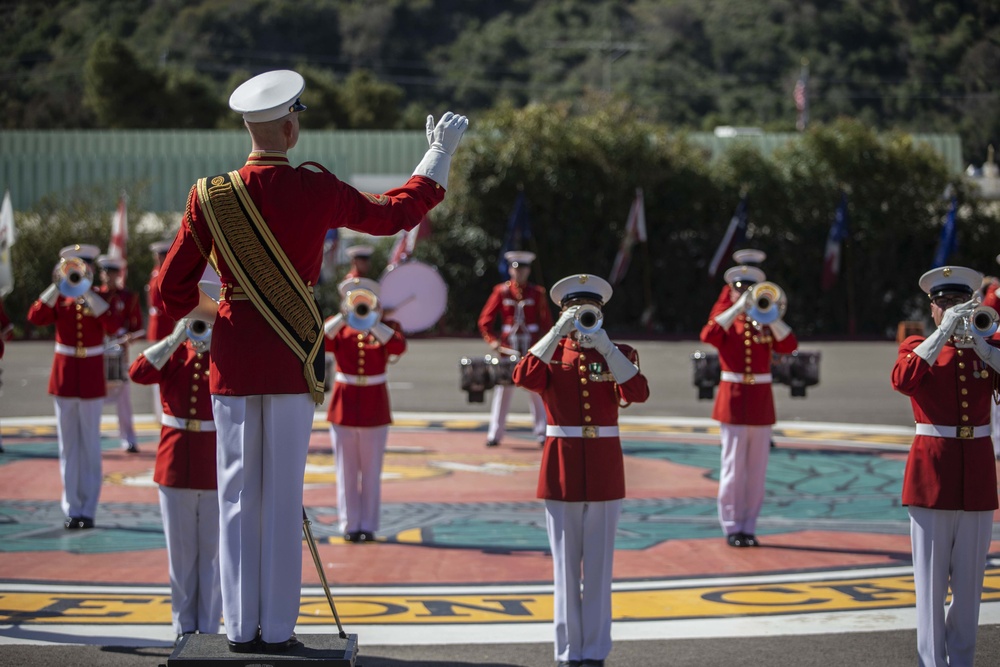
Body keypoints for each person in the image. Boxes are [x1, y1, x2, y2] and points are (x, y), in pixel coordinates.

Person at [157, 69, 466, 653]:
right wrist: (436, 155)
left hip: (231, 359)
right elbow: (395, 212)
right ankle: (276, 629)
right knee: (281, 497)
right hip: (293, 358)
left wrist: (223, 304)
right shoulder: (315, 188)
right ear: (290, 126)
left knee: (236, 495)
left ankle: (237, 629)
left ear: (251, 127)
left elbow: (170, 290)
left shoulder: (209, 195)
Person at [512, 273, 649, 667]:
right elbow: (522, 376)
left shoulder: (618, 351)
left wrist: (606, 347)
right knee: (566, 569)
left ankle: (595, 651)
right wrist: (556, 332)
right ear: (562, 313)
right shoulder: (552, 352)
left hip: (605, 464)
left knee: (600, 568)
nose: (582, 317)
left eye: (588, 311)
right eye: (573, 311)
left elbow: (637, 393)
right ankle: (569, 652)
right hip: (562, 462)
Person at [891, 265, 999, 667]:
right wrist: (941, 335)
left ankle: (963, 661)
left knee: (970, 587)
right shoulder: (918, 344)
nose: (950, 309)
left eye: (958, 302)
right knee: (931, 585)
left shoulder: (987, 344)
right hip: (932, 475)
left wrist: (987, 348)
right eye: (943, 303)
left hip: (977, 476)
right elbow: (902, 379)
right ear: (932, 308)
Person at [129, 316, 221, 644]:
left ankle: (209, 629)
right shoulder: (174, 353)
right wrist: (173, 339)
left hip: (213, 463)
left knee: (212, 553)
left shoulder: (221, 353)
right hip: (175, 462)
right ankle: (184, 629)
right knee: (181, 554)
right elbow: (137, 372)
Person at [699, 252, 797, 547]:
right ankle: (731, 526)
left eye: (749, 289)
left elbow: (790, 344)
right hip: (732, 398)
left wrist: (771, 317)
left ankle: (749, 526)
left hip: (760, 400)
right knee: (732, 467)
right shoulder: (729, 321)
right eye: (739, 288)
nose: (744, 293)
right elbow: (709, 334)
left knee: (756, 470)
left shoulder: (765, 321)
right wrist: (736, 308)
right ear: (731, 290)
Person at [27, 244, 116, 529]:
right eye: (72, 269)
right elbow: (35, 317)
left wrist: (87, 292)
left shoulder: (98, 298)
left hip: (90, 378)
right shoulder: (60, 297)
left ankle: (88, 509)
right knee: (68, 447)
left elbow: (113, 325)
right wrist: (56, 287)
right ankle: (72, 507)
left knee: (89, 446)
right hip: (65, 378)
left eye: (81, 269)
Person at [324, 277, 405, 543]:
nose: (361, 304)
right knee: (345, 471)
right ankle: (349, 524)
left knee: (371, 471)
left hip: (374, 406)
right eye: (355, 301)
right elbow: (319, 341)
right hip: (344, 405)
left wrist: (374, 322)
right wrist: (343, 317)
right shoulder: (341, 329)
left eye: (365, 300)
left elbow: (398, 347)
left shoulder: (386, 328)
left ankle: (368, 525)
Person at [477, 251, 552, 447]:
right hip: (508, 349)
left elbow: (546, 324)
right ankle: (495, 434)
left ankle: (543, 433)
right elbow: (485, 320)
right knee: (503, 391)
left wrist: (544, 347)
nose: (519, 273)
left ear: (528, 270)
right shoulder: (501, 291)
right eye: (516, 268)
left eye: (524, 269)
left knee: (536, 391)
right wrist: (493, 341)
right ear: (510, 269)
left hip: (532, 350)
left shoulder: (537, 293)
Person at [96, 255, 144, 453]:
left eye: (112, 272)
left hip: (118, 354)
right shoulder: (94, 295)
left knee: (123, 399)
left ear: (118, 274)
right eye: (105, 272)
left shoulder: (128, 297)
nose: (108, 276)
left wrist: (130, 337)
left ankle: (129, 439)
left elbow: (137, 327)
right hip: (96, 353)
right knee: (93, 397)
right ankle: (93, 436)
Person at [146, 240, 176, 421]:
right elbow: (158, 302)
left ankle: (162, 411)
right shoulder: (159, 274)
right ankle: (161, 411)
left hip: (163, 328)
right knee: (162, 372)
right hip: (162, 329)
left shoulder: (158, 273)